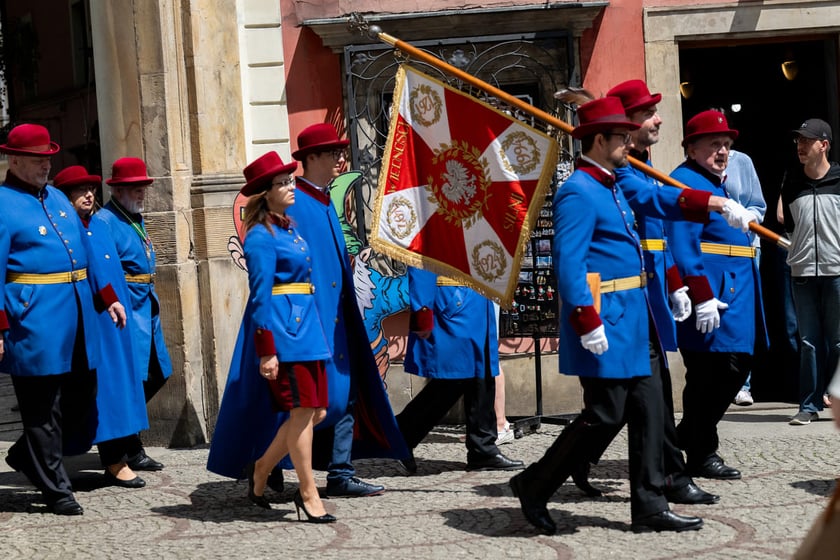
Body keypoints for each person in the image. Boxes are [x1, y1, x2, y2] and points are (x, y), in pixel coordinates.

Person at [509, 97, 743, 535]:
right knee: (604, 413)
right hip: (607, 321)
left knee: (652, 411)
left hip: (636, 321)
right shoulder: (579, 191)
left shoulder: (616, 181)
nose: (627, 142)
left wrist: (715, 205)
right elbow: (568, 264)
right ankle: (535, 483)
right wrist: (585, 319)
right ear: (600, 141)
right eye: (620, 137)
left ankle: (651, 505)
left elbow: (660, 200)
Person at [564, 79, 718, 505]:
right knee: (623, 402)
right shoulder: (615, 174)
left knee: (644, 397)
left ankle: (658, 481)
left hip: (647, 291)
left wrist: (675, 284)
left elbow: (653, 237)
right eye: (647, 114)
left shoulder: (631, 165)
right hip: (619, 299)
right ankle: (659, 475)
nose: (657, 120)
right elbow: (653, 211)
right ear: (622, 128)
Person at [0, 124, 126, 515]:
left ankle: (27, 454)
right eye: (38, 159)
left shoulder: (56, 197)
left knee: (80, 400)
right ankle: (57, 490)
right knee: (44, 408)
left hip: (77, 317)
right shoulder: (2, 204)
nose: (45, 165)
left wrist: (106, 297)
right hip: (32, 319)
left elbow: (84, 249)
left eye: (49, 158)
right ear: (15, 159)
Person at [212, 152, 335, 521]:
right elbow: (261, 297)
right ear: (265, 193)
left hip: (308, 331)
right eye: (282, 183)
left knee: (316, 411)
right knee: (301, 412)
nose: (290, 186)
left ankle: (263, 467)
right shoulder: (261, 237)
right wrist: (267, 350)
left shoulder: (289, 227)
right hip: (286, 333)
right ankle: (308, 493)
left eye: (290, 180)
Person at [288, 123, 408, 497]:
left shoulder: (324, 201)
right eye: (331, 152)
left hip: (340, 321)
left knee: (347, 393)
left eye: (341, 151)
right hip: (311, 324)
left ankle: (340, 472)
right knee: (300, 402)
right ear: (310, 159)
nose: (341, 158)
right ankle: (267, 468)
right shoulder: (295, 205)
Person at [665, 110, 767, 479]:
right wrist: (696, 292)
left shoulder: (713, 181)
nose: (722, 151)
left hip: (735, 288)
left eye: (726, 145)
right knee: (713, 370)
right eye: (714, 144)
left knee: (733, 365)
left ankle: (689, 438)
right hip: (712, 290)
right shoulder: (686, 182)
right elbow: (680, 244)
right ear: (691, 148)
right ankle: (701, 448)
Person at [53, 165, 149, 489]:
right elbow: (89, 269)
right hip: (95, 316)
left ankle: (126, 451)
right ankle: (114, 459)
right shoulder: (67, 227)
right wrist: (109, 300)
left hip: (116, 314)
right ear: (66, 198)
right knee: (106, 390)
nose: (89, 195)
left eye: (90, 189)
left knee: (122, 385)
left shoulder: (99, 224)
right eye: (80, 191)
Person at [397, 269, 525, 473]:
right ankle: (401, 435)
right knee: (454, 379)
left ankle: (482, 448)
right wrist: (422, 310)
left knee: (481, 376)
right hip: (453, 299)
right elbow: (420, 258)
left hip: (477, 298)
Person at [96, 157, 173, 472]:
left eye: (143, 187)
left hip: (147, 309)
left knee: (157, 373)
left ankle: (129, 443)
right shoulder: (105, 220)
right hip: (126, 311)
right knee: (131, 379)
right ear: (118, 189)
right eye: (135, 188)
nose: (141, 193)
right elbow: (104, 269)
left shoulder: (133, 216)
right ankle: (124, 447)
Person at [780, 118, 840, 426]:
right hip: (802, 270)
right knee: (808, 342)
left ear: (824, 145)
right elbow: (788, 223)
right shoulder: (792, 180)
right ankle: (808, 405)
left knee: (839, 341)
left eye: (807, 140)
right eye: (798, 141)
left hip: (837, 269)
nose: (801, 146)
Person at [725, 147, 766, 407]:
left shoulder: (743, 161)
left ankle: (743, 384)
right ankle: (721, 382)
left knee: (743, 314)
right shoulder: (692, 165)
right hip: (714, 248)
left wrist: (748, 216)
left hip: (745, 245)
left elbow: (758, 204)